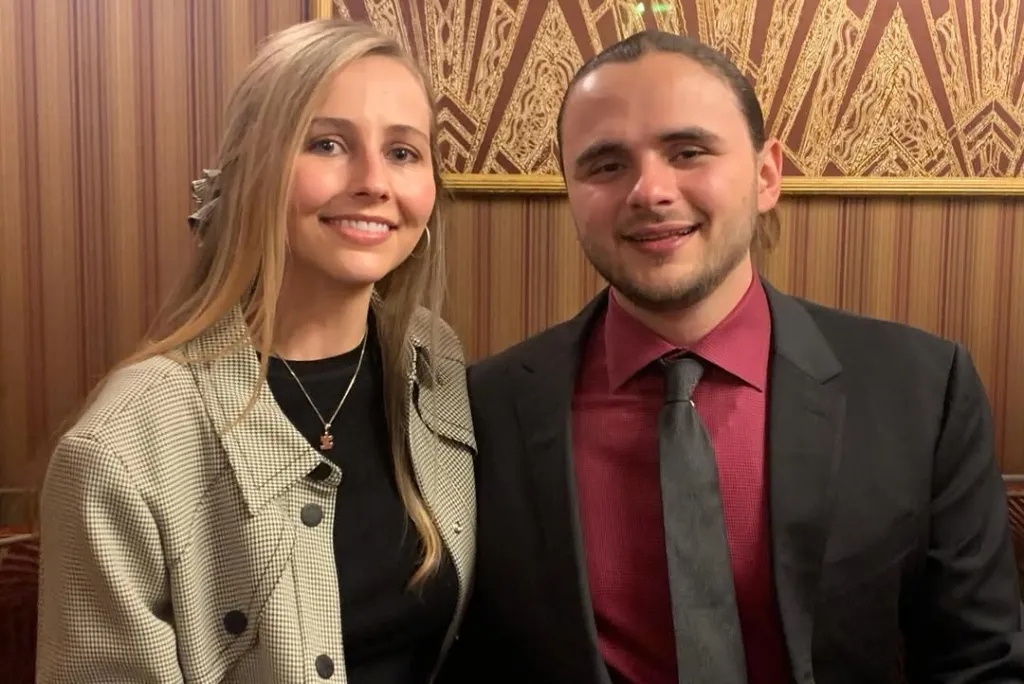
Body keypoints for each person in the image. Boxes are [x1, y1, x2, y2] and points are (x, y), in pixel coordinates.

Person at [443, 30, 1024, 684]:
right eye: (606, 164)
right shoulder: (482, 409)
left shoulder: (922, 390)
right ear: (572, 192)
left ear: (767, 174)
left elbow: (981, 664)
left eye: (688, 151)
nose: (649, 191)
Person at [36, 18, 476, 684]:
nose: (373, 182)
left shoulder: (434, 363)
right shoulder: (121, 450)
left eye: (404, 152)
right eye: (328, 143)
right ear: (252, 169)